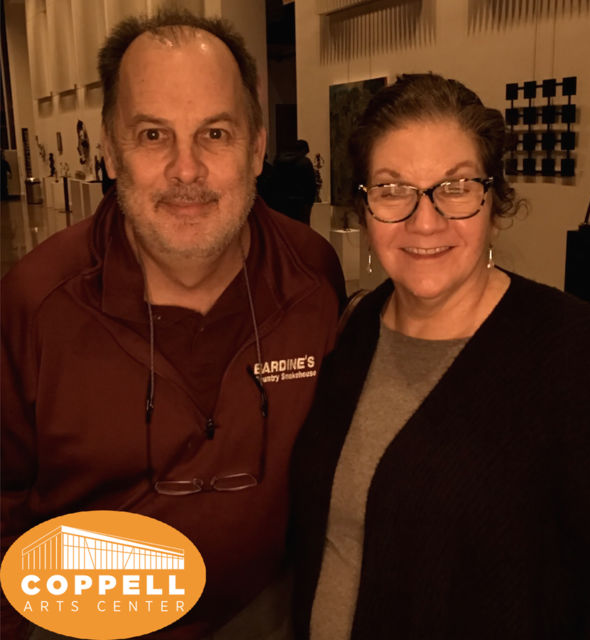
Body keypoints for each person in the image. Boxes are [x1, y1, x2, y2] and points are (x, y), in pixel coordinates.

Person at [1, 10, 344, 640]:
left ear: (256, 146)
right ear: (110, 150)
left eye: (215, 133)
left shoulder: (313, 279)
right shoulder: (36, 303)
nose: (187, 170)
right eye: (153, 135)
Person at [290, 73, 590, 639]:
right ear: (365, 208)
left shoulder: (579, 359)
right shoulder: (357, 328)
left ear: (494, 201)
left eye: (455, 186)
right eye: (393, 189)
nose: (425, 221)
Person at [270, 140, 317, 225]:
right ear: (304, 150)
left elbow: (273, 182)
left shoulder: (279, 161)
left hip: (281, 201)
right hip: (301, 203)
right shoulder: (305, 162)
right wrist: (310, 201)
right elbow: (310, 185)